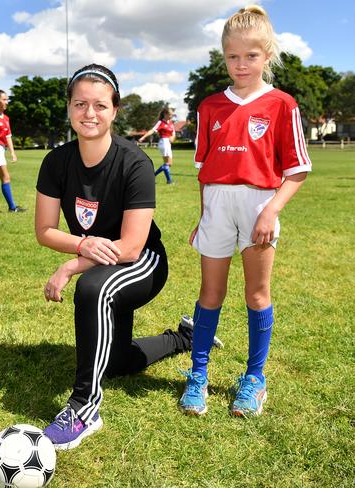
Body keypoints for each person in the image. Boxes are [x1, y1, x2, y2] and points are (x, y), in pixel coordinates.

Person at [35, 64, 220, 450]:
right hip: (101, 258)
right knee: (117, 362)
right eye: (80, 104)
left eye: (100, 105)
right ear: (69, 108)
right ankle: (183, 336)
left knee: (91, 289)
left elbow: (132, 246)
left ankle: (84, 408)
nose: (89, 113)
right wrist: (82, 246)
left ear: (114, 110)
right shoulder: (56, 162)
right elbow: (45, 230)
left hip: (143, 263)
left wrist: (72, 263)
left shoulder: (133, 162)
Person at [178, 5, 311, 417]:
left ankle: (254, 379)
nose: (241, 64)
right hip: (217, 204)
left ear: (267, 55)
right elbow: (204, 173)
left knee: (256, 294)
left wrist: (270, 212)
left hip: (259, 205)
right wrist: (203, 216)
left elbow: (297, 170)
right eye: (233, 56)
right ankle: (198, 375)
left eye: (251, 56)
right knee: (210, 293)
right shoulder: (210, 107)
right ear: (224, 57)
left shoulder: (282, 104)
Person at [138, 107, 176, 184]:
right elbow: (152, 130)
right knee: (167, 163)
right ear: (165, 114)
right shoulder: (160, 122)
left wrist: (173, 137)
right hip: (163, 142)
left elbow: (173, 133)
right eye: (170, 114)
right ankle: (169, 180)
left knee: (169, 164)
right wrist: (143, 137)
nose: (172, 116)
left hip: (168, 143)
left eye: (172, 114)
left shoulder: (171, 123)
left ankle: (154, 176)